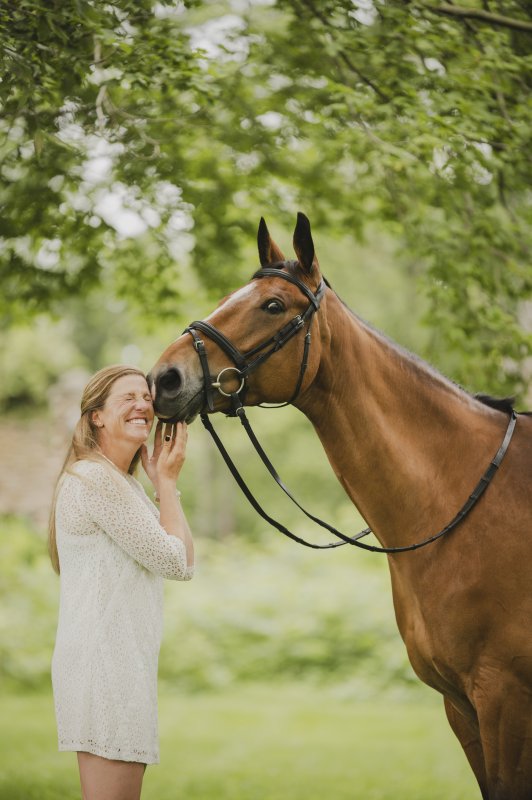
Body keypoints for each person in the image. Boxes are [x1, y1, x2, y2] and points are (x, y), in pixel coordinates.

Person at [48, 365, 194, 800]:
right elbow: (177, 562)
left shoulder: (122, 484)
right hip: (104, 667)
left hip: (123, 663)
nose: (143, 405)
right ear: (97, 416)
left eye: (146, 398)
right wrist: (166, 482)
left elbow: (184, 558)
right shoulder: (95, 480)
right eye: (128, 397)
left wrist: (165, 485)